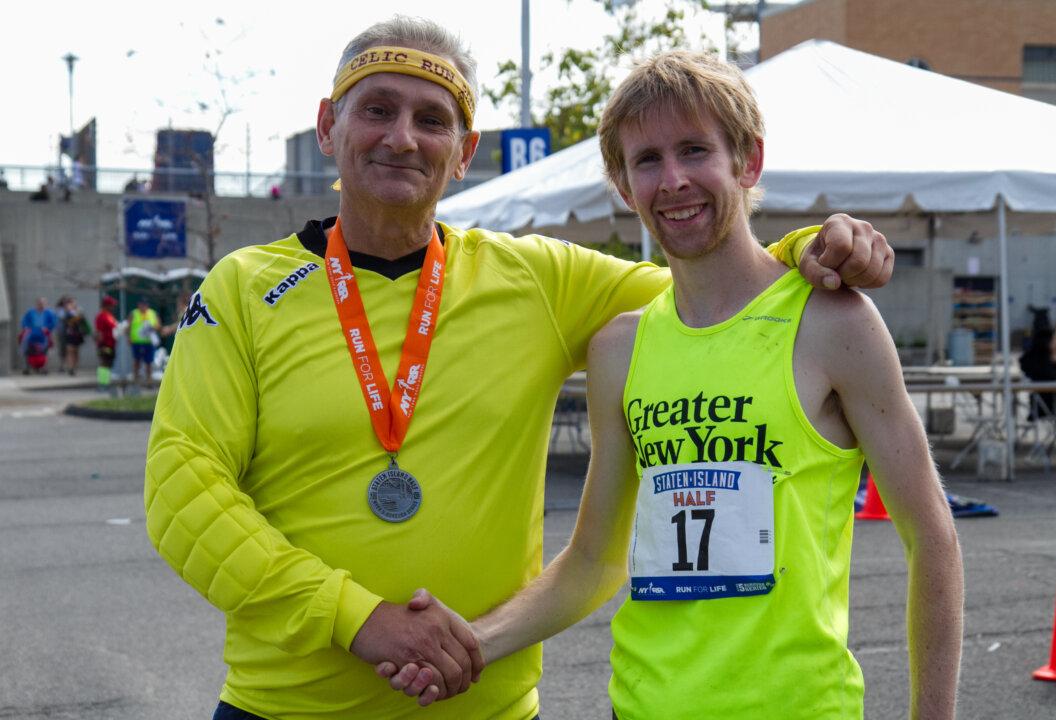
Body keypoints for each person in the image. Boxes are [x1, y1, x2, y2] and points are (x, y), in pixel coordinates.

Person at [144, 17, 896, 720]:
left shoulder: (537, 277)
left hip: (488, 708)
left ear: (464, 151)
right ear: (327, 128)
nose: (402, 138)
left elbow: (721, 286)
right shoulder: (241, 288)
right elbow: (185, 493)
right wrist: (354, 617)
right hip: (286, 708)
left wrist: (813, 251)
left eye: (433, 120)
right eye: (377, 109)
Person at [386, 50, 964, 717]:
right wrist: (471, 644)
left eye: (695, 151)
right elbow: (592, 562)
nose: (674, 181)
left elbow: (932, 535)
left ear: (747, 162)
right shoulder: (620, 350)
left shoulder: (834, 323)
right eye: (648, 161)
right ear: (624, 187)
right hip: (642, 705)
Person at [1019, 328, 1056, 446]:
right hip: (1052, 407)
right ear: (1047, 343)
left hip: (1045, 405)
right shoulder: (1044, 364)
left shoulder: (1034, 360)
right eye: (1055, 339)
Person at [19, 297, 56, 374]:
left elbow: (53, 323)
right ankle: (27, 368)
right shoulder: (30, 312)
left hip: (44, 335)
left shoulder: (49, 313)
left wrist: (47, 328)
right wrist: (26, 327)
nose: (41, 305)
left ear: (46, 304)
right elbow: (24, 321)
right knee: (27, 350)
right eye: (39, 303)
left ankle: (44, 368)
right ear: (36, 304)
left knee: (45, 351)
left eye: (43, 303)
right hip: (31, 334)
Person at [129, 297, 161, 386]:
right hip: (137, 342)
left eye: (145, 305)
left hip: (148, 342)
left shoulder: (153, 313)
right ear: (138, 305)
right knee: (137, 361)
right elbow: (129, 326)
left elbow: (158, 326)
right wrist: (129, 337)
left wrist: (152, 328)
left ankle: (149, 380)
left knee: (149, 362)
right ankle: (135, 380)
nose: (143, 306)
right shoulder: (134, 313)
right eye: (141, 304)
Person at [60, 297, 91, 375]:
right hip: (69, 335)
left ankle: (74, 367)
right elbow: (65, 322)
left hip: (77, 334)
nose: (71, 305)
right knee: (70, 350)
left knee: (76, 351)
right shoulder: (65, 312)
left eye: (72, 303)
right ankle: (70, 368)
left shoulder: (79, 312)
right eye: (69, 303)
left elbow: (83, 322)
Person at [94, 295, 120, 390]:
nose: (113, 307)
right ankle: (103, 383)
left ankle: (105, 382)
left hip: (111, 343)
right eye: (111, 305)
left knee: (108, 363)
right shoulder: (101, 316)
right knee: (105, 363)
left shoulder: (109, 316)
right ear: (106, 305)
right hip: (105, 344)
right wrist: (101, 346)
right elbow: (98, 332)